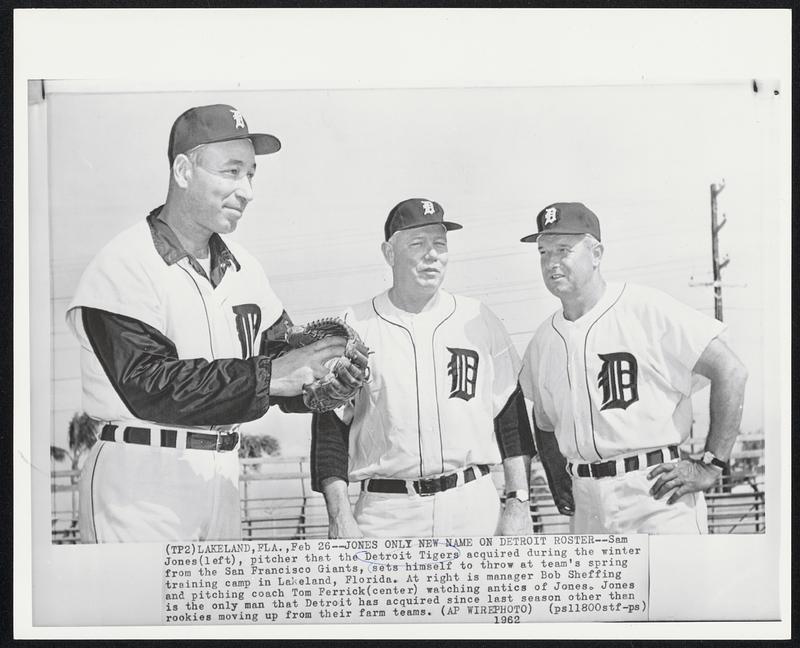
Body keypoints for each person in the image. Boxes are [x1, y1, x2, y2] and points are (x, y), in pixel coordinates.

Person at [66, 104, 347, 543]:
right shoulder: (123, 263)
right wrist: (277, 375)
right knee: (139, 609)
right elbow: (150, 384)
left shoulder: (246, 270)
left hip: (222, 477)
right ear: (183, 170)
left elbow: (279, 363)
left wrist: (324, 377)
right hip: (141, 478)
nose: (248, 190)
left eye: (251, 174)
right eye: (232, 172)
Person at [310, 198, 536, 538]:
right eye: (418, 244)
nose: (432, 254)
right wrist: (339, 516)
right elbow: (330, 430)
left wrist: (518, 501)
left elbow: (510, 417)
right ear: (389, 253)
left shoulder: (478, 319)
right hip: (386, 511)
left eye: (440, 244)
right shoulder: (354, 326)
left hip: (472, 502)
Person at [518, 202, 748, 534]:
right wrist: (557, 477)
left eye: (563, 249)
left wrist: (711, 465)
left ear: (596, 253)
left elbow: (731, 371)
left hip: (655, 494)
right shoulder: (543, 340)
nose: (552, 262)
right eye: (543, 252)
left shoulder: (644, 308)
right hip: (586, 502)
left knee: (670, 587)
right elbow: (543, 421)